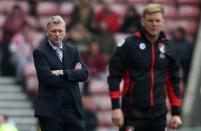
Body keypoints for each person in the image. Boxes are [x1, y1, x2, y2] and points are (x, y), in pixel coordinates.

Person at [107, 3, 182, 131]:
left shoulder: (169, 48)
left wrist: (176, 112)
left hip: (158, 116)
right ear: (143, 21)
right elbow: (114, 76)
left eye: (158, 20)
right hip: (132, 114)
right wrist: (115, 107)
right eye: (150, 20)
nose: (154, 24)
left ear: (163, 22)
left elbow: (173, 81)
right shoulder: (129, 44)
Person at [33, 15, 88, 131]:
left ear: (65, 32)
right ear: (47, 32)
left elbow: (84, 74)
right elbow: (47, 79)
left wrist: (63, 72)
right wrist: (73, 76)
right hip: (50, 112)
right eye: (53, 31)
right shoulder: (40, 52)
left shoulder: (73, 50)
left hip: (72, 109)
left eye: (60, 31)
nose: (57, 34)